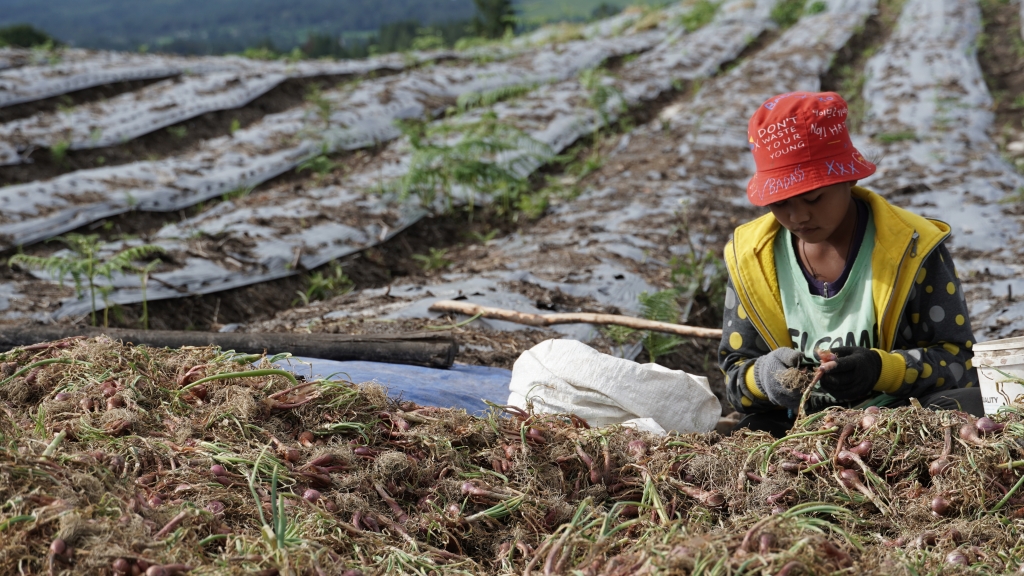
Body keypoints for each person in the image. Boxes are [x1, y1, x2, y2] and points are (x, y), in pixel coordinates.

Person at [719, 91, 982, 438]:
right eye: (780, 204)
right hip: (802, 428)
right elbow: (734, 378)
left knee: (971, 404)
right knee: (749, 434)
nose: (798, 216)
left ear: (849, 178)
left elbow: (960, 362)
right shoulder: (750, 259)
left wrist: (879, 370)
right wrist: (767, 377)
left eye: (813, 198)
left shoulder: (912, 247)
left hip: (902, 419)